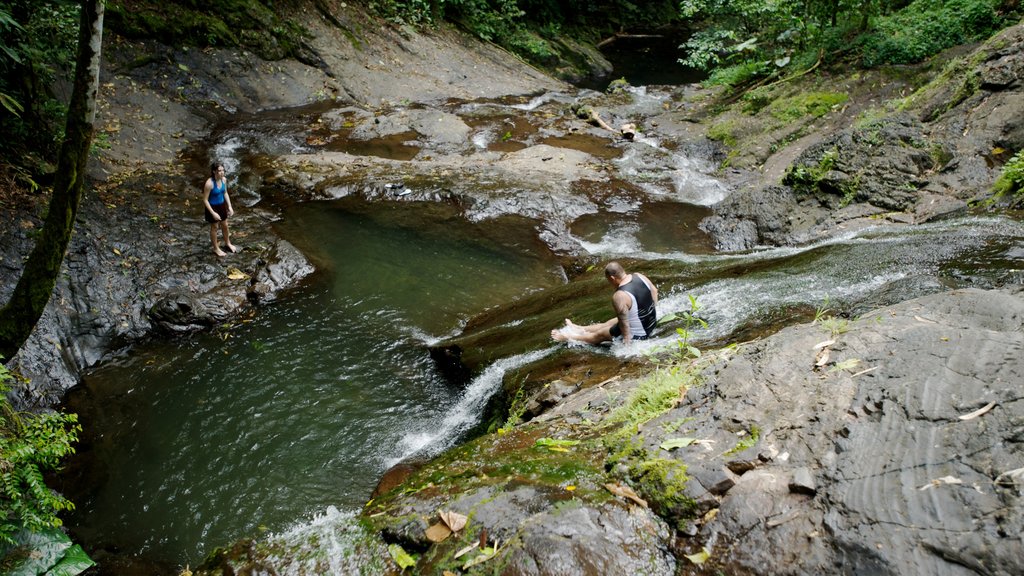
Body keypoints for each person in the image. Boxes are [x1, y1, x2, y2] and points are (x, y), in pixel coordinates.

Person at [552, 261, 658, 345]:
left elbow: (624, 324)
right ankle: (579, 328)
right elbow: (654, 291)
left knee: (600, 334)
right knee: (609, 323)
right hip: (651, 323)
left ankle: (567, 338)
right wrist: (652, 310)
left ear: (612, 278)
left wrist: (627, 343)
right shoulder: (639, 276)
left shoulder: (619, 296)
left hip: (640, 334)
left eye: (609, 280)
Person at [203, 162, 237, 257]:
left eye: (223, 170)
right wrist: (213, 213)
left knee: (225, 225)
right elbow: (205, 200)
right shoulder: (209, 184)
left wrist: (229, 206)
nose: (222, 173)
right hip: (212, 207)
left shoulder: (224, 180)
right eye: (219, 171)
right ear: (214, 172)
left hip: (221, 205)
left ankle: (228, 243)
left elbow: (225, 193)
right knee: (215, 227)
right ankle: (216, 248)